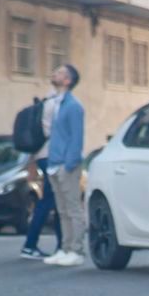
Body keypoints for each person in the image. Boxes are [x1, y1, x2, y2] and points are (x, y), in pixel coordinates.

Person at [44, 65, 88, 268]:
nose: (55, 73)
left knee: (73, 209)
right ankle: (65, 247)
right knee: (61, 211)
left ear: (68, 80)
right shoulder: (57, 103)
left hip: (66, 165)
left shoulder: (74, 106)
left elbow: (76, 138)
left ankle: (76, 250)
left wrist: (68, 164)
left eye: (60, 72)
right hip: (54, 163)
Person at [20, 72, 67, 260]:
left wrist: (32, 160)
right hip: (52, 155)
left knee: (53, 200)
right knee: (50, 200)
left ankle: (60, 245)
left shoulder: (46, 100)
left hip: (42, 155)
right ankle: (31, 245)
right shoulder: (57, 104)